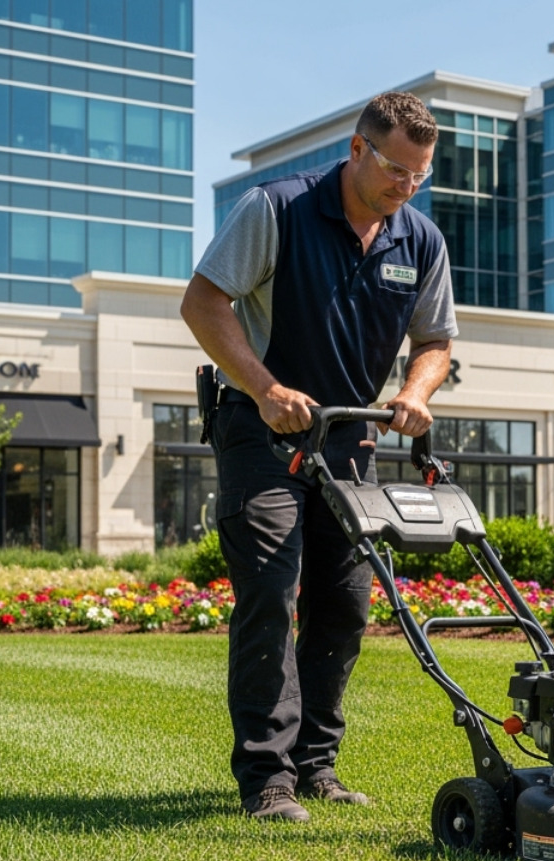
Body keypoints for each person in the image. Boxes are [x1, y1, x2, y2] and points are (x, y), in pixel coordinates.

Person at [180, 92, 456, 822]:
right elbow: (203, 302)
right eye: (397, 169)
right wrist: (265, 387)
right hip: (262, 431)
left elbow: (435, 342)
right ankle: (267, 778)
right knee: (272, 589)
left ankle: (315, 765)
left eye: (420, 176)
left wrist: (416, 390)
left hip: (351, 440)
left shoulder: (420, 240)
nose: (407, 186)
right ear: (359, 150)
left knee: (346, 602)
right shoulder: (277, 209)